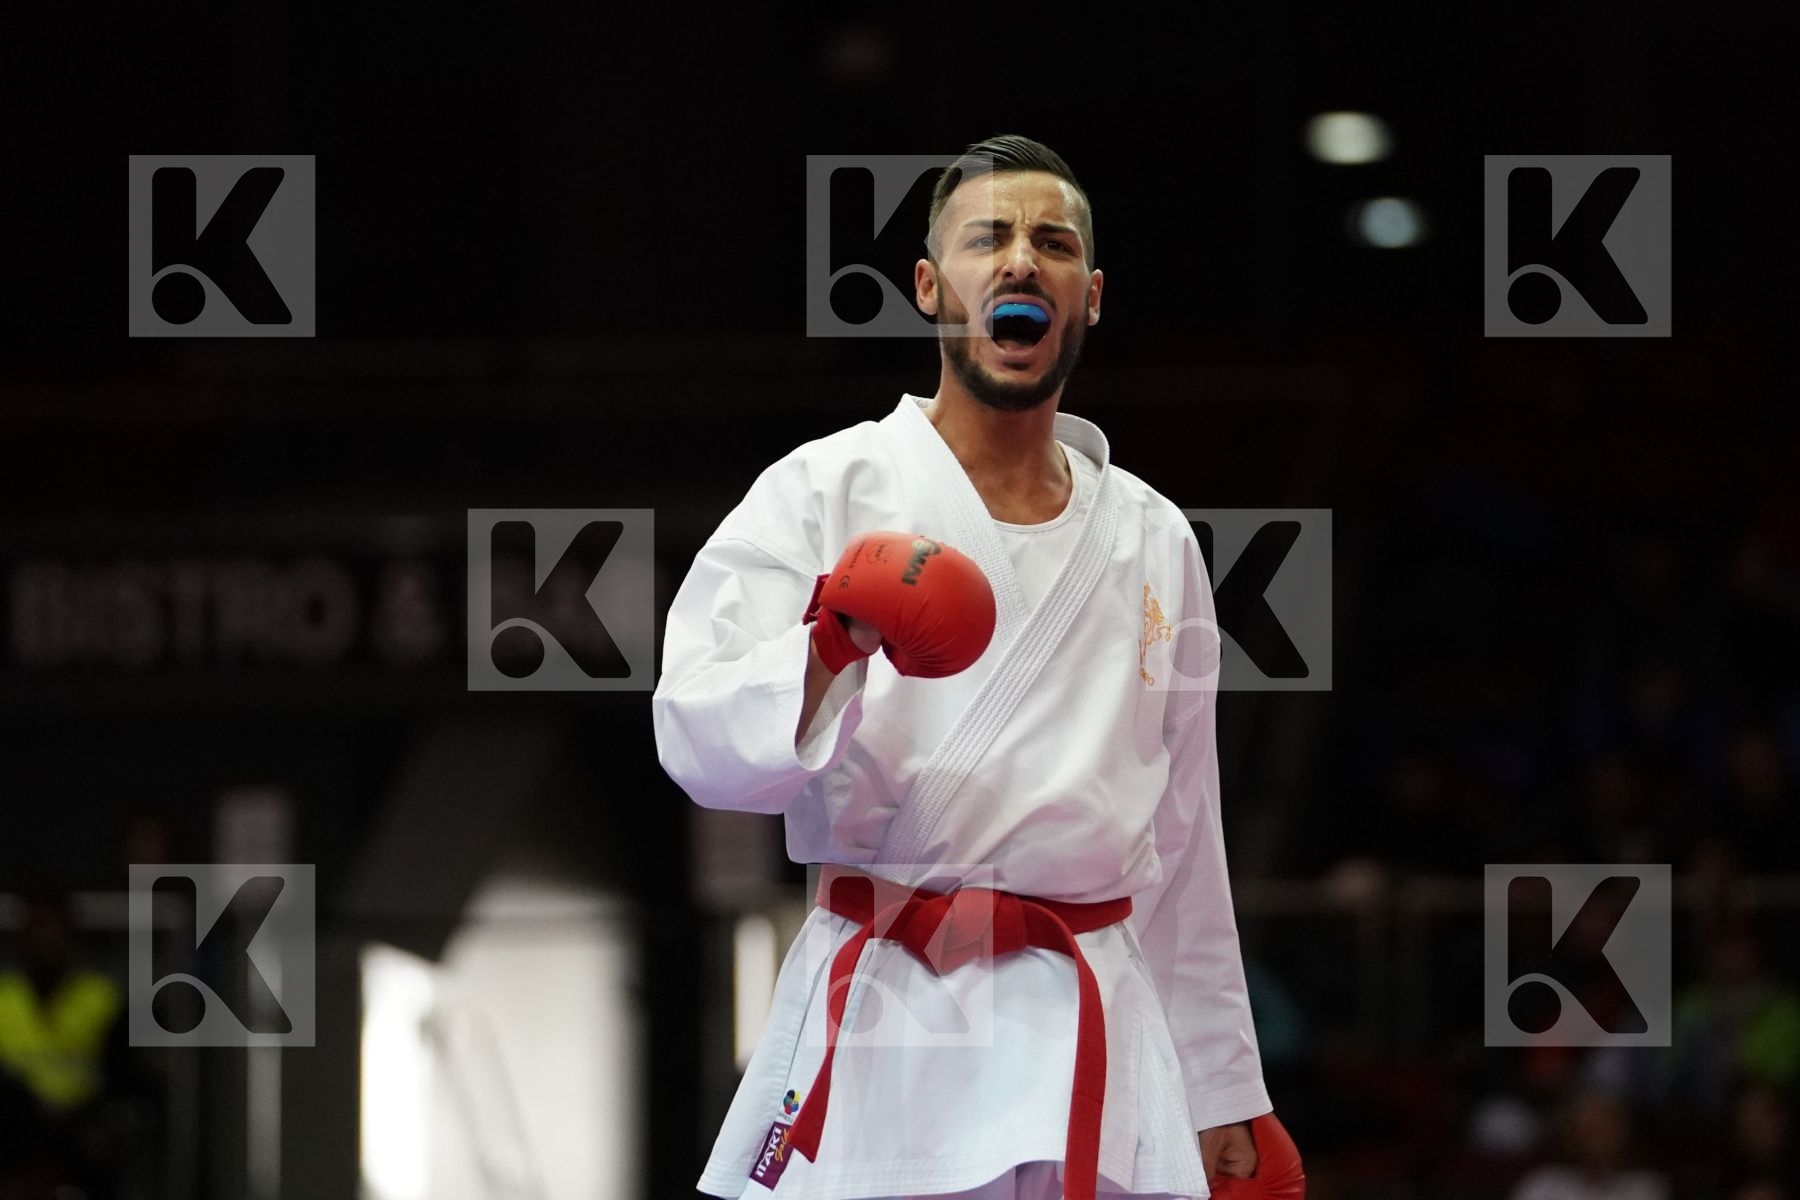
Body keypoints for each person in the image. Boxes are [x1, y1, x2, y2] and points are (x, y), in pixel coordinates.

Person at [653, 135, 1301, 1200]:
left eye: (1055, 244)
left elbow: (1185, 831)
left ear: (1090, 297)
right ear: (928, 285)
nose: (1021, 260)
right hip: (890, 1009)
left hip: (1090, 1018)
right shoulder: (824, 490)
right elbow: (696, 739)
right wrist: (825, 647)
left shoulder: (1154, 535)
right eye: (987, 238)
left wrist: (1224, 1082)